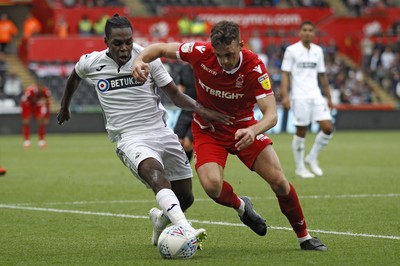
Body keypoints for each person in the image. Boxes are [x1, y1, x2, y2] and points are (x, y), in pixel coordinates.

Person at [132, 20, 328, 251]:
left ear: (241, 45)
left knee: (279, 182)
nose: (224, 61)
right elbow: (160, 48)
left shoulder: (255, 67)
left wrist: (253, 130)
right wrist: (139, 60)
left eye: (230, 54)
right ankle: (241, 207)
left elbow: (271, 115)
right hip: (208, 131)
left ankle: (304, 237)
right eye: (220, 55)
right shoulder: (200, 52)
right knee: (212, 187)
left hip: (244, 129)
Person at [56, 14, 232, 250]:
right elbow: (74, 77)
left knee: (186, 196)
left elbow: (175, 95)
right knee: (156, 174)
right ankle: (185, 229)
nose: (125, 48)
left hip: (161, 132)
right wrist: (64, 106)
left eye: (128, 41)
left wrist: (202, 110)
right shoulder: (92, 62)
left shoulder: (147, 58)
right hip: (129, 137)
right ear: (106, 40)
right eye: (117, 43)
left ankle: (160, 220)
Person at [280, 21, 334, 178]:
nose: (308, 33)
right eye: (305, 30)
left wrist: (329, 96)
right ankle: (300, 168)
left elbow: (322, 75)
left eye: (311, 30)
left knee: (328, 128)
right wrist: (285, 96)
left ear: (314, 33)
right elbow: (285, 74)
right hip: (299, 96)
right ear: (300, 33)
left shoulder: (318, 51)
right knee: (301, 131)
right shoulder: (291, 50)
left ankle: (312, 157)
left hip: (316, 95)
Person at [174, 63, 196, 162]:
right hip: (185, 110)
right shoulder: (184, 69)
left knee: (187, 143)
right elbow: (181, 86)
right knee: (178, 142)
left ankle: (186, 167)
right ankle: (181, 167)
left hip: (199, 112)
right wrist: (178, 96)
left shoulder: (204, 70)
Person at [20, 79, 51, 149]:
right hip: (27, 105)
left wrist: (47, 117)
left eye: (41, 87)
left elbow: (48, 103)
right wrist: (28, 112)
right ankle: (26, 142)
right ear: (36, 86)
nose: (40, 89)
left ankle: (41, 142)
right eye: (39, 87)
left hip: (37, 105)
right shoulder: (30, 91)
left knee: (41, 121)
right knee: (26, 122)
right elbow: (24, 101)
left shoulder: (46, 92)